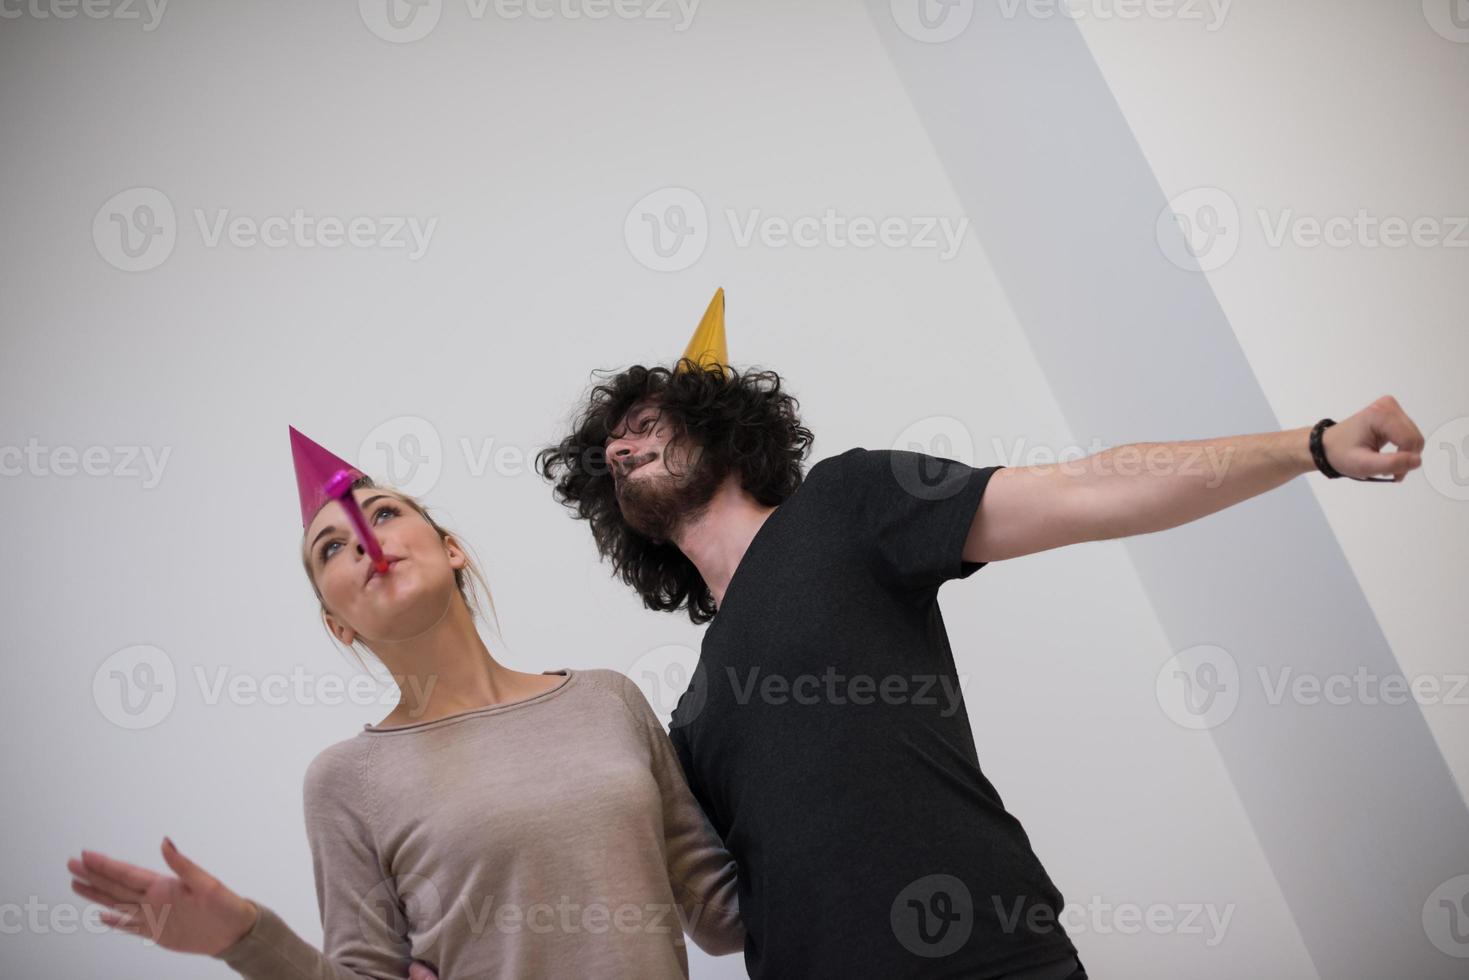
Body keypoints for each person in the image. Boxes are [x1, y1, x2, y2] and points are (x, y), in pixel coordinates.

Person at [535, 288, 1425, 978]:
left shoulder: (846, 504)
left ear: (718, 423)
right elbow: (718, 919)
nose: (622, 447)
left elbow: (1084, 489)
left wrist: (1310, 445)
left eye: (645, 424)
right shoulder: (688, 715)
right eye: (611, 448)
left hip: (982, 958)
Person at [65, 426, 744, 979]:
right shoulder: (344, 781)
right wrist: (243, 936)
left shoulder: (607, 700)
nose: (365, 538)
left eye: (384, 513)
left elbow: (722, 915)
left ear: (450, 550)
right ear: (339, 622)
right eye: (332, 547)